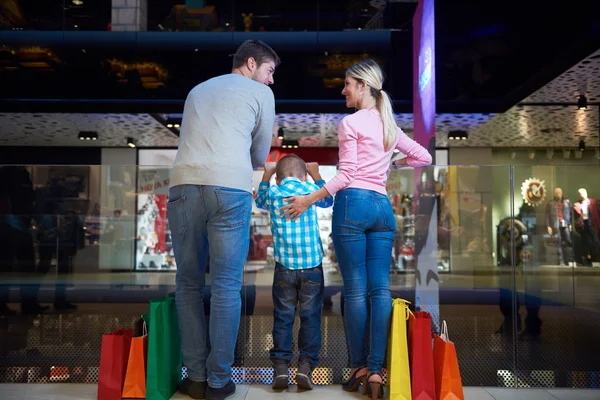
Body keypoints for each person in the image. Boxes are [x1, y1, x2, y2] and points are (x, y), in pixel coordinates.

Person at [281, 59, 432, 399]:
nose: (343, 89)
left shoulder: (351, 123)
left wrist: (308, 199)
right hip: (382, 208)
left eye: (347, 83)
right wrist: (394, 161)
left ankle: (359, 366)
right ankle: (377, 372)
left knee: (355, 291)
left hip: (352, 206)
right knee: (380, 291)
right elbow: (424, 157)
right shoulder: (390, 125)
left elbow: (347, 175)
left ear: (363, 86)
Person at [168, 39, 279, 400]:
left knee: (187, 284)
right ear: (251, 63)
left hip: (183, 187)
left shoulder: (196, 90)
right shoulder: (259, 94)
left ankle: (195, 377)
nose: (271, 80)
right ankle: (218, 382)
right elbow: (260, 153)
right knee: (227, 286)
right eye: (269, 71)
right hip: (229, 188)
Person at [255, 156, 333, 391]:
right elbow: (328, 200)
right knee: (310, 317)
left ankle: (280, 368)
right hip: (311, 268)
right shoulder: (311, 189)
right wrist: (317, 174)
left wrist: (267, 175)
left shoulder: (273, 193)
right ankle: (305, 367)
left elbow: (259, 200)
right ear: (305, 175)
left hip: (284, 269)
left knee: (283, 317)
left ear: (278, 178)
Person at [545, 187, 573, 266]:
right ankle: (561, 261)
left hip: (565, 223)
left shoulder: (567, 202)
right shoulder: (550, 203)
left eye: (560, 193)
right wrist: (548, 226)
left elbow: (570, 214)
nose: (559, 195)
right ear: (554, 194)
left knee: (568, 240)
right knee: (558, 241)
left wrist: (570, 224)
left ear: (562, 193)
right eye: (557, 193)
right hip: (555, 224)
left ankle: (569, 260)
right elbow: (547, 216)